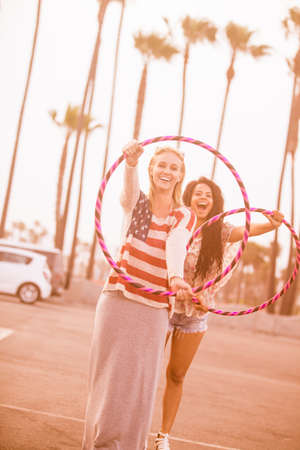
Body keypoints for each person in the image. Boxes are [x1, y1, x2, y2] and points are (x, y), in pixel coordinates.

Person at [82, 141, 197, 450]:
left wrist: (175, 278)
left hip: (154, 306)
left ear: (180, 175)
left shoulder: (183, 215)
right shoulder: (139, 203)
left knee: (139, 382)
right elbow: (128, 195)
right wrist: (130, 164)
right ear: (152, 168)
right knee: (105, 376)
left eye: (174, 167)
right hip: (117, 297)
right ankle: (97, 444)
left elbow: (176, 244)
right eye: (162, 165)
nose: (167, 171)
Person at [154, 176, 284, 450]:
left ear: (214, 204)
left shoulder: (221, 231)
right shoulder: (177, 225)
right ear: (189, 198)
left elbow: (248, 230)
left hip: (195, 312)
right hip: (164, 306)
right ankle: (135, 424)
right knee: (147, 370)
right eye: (198, 193)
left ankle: (162, 436)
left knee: (176, 375)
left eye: (209, 195)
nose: (203, 198)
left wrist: (272, 224)